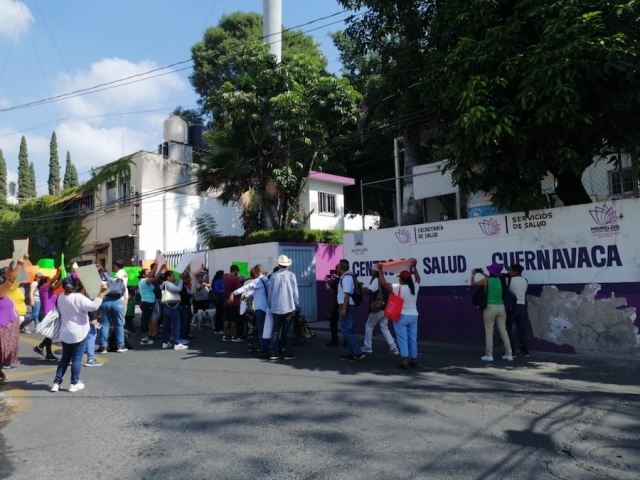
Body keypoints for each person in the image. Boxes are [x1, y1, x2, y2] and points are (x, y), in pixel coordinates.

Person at [50, 276, 107, 392]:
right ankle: (74, 383)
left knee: (65, 358)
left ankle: (56, 383)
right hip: (79, 331)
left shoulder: (60, 297)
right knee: (77, 358)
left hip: (65, 331)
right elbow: (93, 307)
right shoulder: (79, 297)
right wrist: (101, 292)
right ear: (76, 285)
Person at [375, 260, 421, 368]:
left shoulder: (397, 288)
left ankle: (404, 360)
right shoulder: (415, 287)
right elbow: (418, 279)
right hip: (414, 315)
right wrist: (414, 267)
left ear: (400, 279)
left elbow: (383, 283)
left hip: (401, 316)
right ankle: (414, 359)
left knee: (402, 338)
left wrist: (381, 271)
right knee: (412, 338)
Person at [471, 263, 513, 362]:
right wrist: (483, 274)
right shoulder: (502, 280)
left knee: (489, 332)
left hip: (490, 307)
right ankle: (509, 354)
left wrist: (473, 274)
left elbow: (473, 284)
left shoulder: (487, 280)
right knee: (504, 331)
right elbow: (491, 278)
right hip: (501, 307)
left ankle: (489, 355)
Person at [231, 264, 269, 357]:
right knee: (266, 329)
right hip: (267, 308)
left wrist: (234, 293)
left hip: (259, 308)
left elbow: (246, 288)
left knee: (259, 330)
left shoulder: (257, 281)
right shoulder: (266, 280)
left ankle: (262, 350)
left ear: (256, 272)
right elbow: (255, 292)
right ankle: (265, 348)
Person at [267, 255, 299, 360]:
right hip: (288, 306)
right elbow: (295, 292)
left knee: (275, 330)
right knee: (288, 330)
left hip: (276, 307)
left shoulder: (273, 276)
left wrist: (270, 304)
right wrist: (295, 304)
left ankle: (273, 352)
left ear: (278, 264)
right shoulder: (291, 275)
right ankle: (288, 352)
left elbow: (270, 292)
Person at [361, 269, 399, 355]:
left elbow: (370, 290)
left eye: (373, 271)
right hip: (385, 308)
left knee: (369, 326)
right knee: (384, 328)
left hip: (378, 308)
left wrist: (360, 288)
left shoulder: (376, 280)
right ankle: (393, 348)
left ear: (376, 272)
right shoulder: (382, 281)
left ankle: (368, 347)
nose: (371, 272)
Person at [336, 259, 365, 363]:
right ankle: (350, 353)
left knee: (346, 330)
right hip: (347, 306)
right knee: (349, 330)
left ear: (340, 268)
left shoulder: (347, 278)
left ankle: (358, 352)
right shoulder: (346, 276)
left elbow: (347, 294)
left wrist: (343, 308)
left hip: (347, 306)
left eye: (338, 267)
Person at [0, 260, 24, 382]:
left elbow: (7, 278)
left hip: (6, 327)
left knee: (3, 354)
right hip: (3, 328)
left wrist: (10, 267)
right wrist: (20, 264)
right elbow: (10, 280)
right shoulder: (0, 292)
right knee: (2, 354)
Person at [98, 262, 128, 354]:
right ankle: (120, 346)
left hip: (106, 302)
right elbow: (125, 294)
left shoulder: (103, 281)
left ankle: (103, 347)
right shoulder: (120, 281)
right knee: (119, 325)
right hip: (118, 302)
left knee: (105, 324)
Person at [34, 268, 62, 361]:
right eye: (49, 280)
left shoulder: (50, 290)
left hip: (51, 313)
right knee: (50, 334)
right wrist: (58, 272)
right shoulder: (43, 288)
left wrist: (64, 277)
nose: (52, 281)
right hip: (47, 313)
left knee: (50, 334)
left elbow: (57, 284)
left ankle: (45, 351)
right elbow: (54, 280)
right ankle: (43, 349)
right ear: (45, 282)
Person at [506, 263, 530, 358]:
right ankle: (525, 350)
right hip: (521, 305)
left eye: (510, 270)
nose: (509, 272)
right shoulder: (525, 280)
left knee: (507, 329)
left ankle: (511, 351)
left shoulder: (509, 280)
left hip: (512, 306)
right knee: (521, 330)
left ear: (514, 271)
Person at [160, 270, 187, 350]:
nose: (174, 278)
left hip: (166, 306)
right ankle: (177, 343)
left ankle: (165, 342)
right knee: (176, 324)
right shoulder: (168, 284)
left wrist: (179, 279)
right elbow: (178, 289)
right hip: (172, 306)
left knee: (166, 325)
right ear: (168, 277)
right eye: (173, 276)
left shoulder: (164, 284)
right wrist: (181, 279)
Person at [138, 266, 165, 346]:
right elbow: (155, 278)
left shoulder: (144, 280)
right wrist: (160, 268)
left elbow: (152, 274)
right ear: (144, 275)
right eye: (148, 273)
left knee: (146, 319)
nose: (151, 273)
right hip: (147, 302)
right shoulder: (145, 281)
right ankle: (143, 338)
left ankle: (145, 336)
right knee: (145, 320)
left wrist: (157, 265)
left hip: (148, 302)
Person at [222, 266, 243, 342]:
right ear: (235, 270)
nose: (238, 272)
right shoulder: (235, 278)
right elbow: (240, 289)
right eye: (237, 271)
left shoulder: (225, 278)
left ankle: (224, 335)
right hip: (234, 301)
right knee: (234, 319)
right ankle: (234, 336)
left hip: (226, 300)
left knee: (226, 319)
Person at [324, 266, 342, 348]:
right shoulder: (346, 278)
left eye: (337, 269)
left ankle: (335, 340)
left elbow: (328, 288)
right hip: (345, 303)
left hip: (338, 303)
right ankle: (346, 341)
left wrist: (326, 281)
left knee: (333, 322)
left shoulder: (338, 280)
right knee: (345, 323)